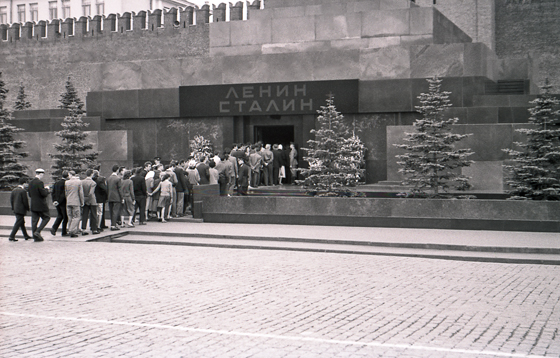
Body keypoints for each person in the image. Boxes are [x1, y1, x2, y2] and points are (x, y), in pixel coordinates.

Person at [28, 168, 51, 241]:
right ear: (41, 174)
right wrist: (47, 189)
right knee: (47, 217)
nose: (43, 176)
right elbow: (43, 194)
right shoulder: (40, 182)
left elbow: (30, 194)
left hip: (33, 204)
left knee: (34, 221)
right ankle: (38, 231)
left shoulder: (31, 182)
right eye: (43, 174)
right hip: (41, 205)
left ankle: (35, 237)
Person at [9, 177, 32, 241]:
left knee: (22, 222)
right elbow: (25, 201)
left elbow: (11, 200)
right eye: (26, 183)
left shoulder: (14, 190)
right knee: (18, 223)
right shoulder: (23, 191)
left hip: (16, 209)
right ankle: (11, 236)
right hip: (21, 210)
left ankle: (26, 235)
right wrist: (28, 208)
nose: (27, 185)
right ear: (24, 183)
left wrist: (13, 208)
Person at [65, 171, 84, 238]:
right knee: (77, 216)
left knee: (70, 216)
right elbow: (80, 193)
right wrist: (82, 202)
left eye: (68, 175)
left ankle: (70, 230)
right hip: (76, 202)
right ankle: (71, 230)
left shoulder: (67, 182)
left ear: (70, 175)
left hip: (68, 202)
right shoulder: (79, 182)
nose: (68, 176)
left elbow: (66, 193)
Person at [50, 171, 68, 237]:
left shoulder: (56, 183)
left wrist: (54, 201)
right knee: (65, 217)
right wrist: (59, 201)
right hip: (63, 202)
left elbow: (53, 193)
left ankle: (54, 228)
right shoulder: (65, 183)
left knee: (60, 215)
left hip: (57, 203)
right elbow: (63, 194)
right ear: (67, 176)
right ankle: (64, 231)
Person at [81, 169, 99, 235]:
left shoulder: (82, 182)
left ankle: (83, 229)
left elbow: (81, 192)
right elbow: (91, 193)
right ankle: (94, 229)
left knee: (84, 215)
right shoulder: (93, 183)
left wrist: (85, 200)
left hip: (84, 200)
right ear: (92, 174)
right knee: (94, 215)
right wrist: (89, 200)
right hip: (92, 201)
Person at [107, 164, 124, 231]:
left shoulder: (108, 178)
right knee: (115, 211)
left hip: (110, 197)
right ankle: (113, 225)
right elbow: (120, 189)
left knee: (111, 211)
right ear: (117, 170)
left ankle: (112, 224)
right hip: (116, 197)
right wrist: (122, 198)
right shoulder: (118, 179)